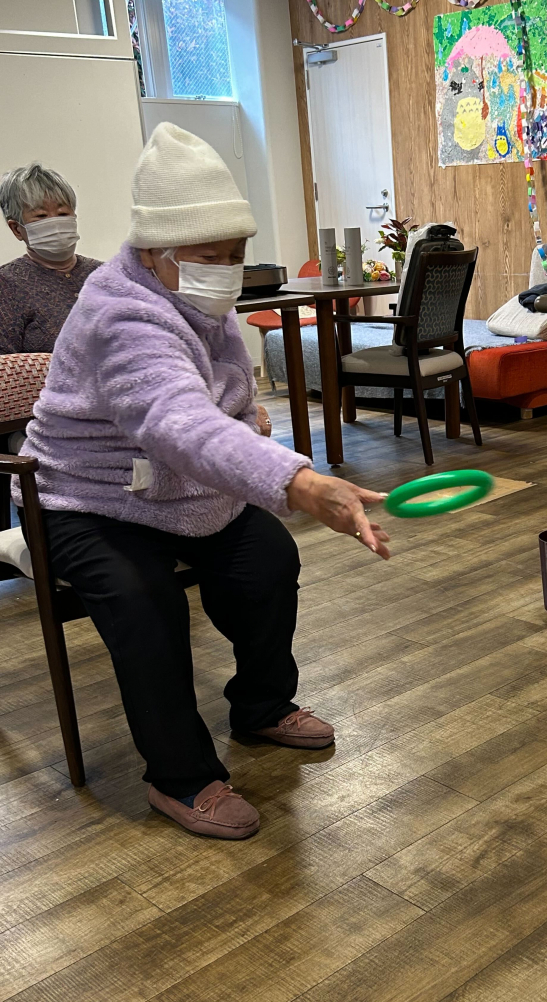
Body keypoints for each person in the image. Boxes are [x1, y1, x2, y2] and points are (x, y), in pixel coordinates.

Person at [13, 123, 390, 839]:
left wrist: (252, 434)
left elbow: (228, 400)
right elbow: (176, 420)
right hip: (87, 499)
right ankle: (179, 776)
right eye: (209, 257)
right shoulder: (119, 311)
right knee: (142, 598)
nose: (227, 270)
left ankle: (262, 706)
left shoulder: (199, 302)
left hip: (181, 494)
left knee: (268, 560)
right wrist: (301, 482)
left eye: (236, 255)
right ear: (153, 252)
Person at [0, 163, 102, 354]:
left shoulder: (105, 274)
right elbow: (5, 365)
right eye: (41, 216)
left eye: (63, 214)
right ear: (17, 229)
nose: (55, 223)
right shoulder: (7, 284)